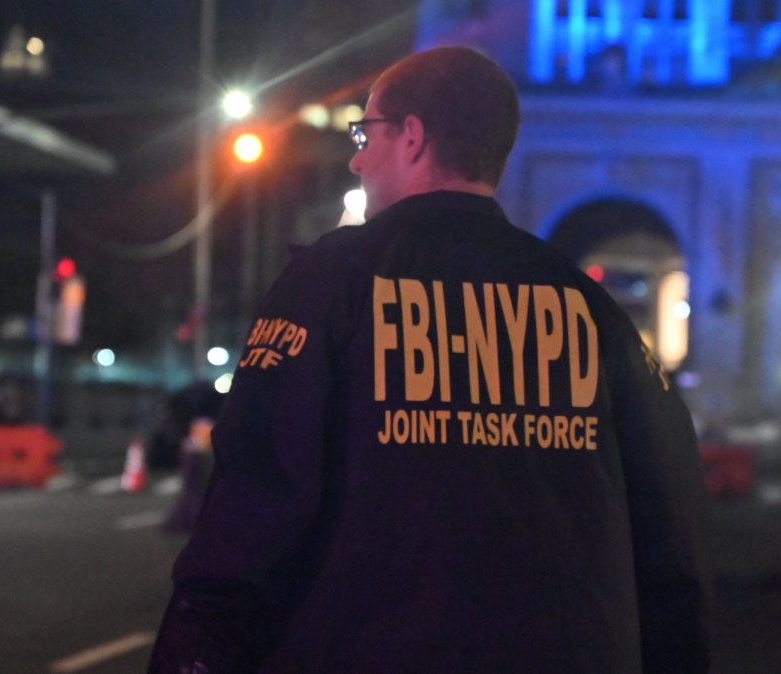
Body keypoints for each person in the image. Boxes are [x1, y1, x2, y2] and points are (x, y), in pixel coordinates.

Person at [148, 46, 711, 674]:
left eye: (366, 133)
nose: (357, 157)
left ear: (412, 137)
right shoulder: (593, 311)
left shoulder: (331, 284)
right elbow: (669, 536)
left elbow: (253, 508)